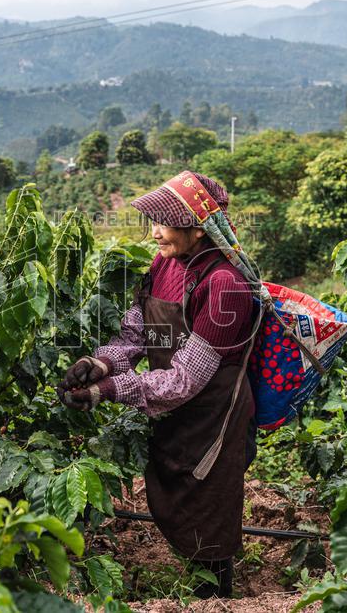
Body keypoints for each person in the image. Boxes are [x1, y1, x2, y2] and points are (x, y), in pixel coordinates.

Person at [57, 171, 259, 599]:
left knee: (209, 508)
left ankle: (214, 599)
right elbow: (137, 333)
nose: (154, 234)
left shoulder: (225, 284)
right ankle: (201, 584)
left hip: (212, 412)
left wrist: (108, 390)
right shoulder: (164, 263)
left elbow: (187, 379)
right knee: (180, 497)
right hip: (172, 405)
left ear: (198, 228)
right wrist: (98, 363)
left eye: (163, 224)